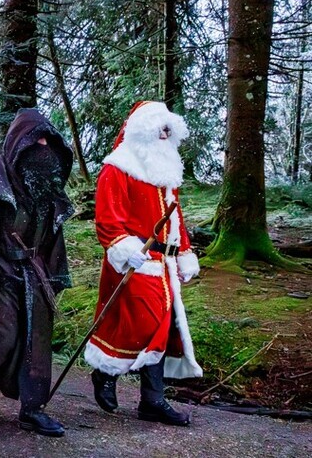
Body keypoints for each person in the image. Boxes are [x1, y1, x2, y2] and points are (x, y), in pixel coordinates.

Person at [0, 109, 75, 438]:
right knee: (0, 335)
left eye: (48, 140)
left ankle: (32, 408)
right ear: (17, 143)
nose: (42, 146)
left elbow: (54, 237)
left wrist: (56, 275)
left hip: (34, 273)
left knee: (37, 342)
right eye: (35, 139)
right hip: (0, 268)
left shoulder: (46, 185)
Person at [85, 101, 201, 427]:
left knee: (161, 327)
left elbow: (175, 218)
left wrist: (184, 251)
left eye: (169, 129)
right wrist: (124, 249)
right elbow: (108, 221)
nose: (165, 134)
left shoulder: (165, 172)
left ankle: (152, 400)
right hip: (133, 262)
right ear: (143, 130)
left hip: (163, 265)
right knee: (138, 323)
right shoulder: (118, 167)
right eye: (160, 128)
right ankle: (105, 373)